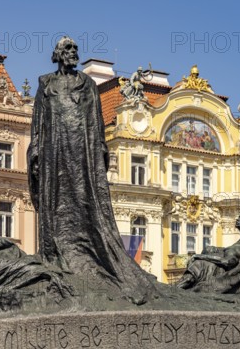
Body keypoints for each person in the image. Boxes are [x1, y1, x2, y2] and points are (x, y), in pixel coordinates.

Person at [27, 36, 159, 304]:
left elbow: (97, 120)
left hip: (82, 150)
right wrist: (37, 150)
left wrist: (100, 149)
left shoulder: (87, 84)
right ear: (57, 54)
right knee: (56, 198)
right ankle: (57, 252)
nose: (73, 53)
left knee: (85, 197)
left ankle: (89, 251)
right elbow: (38, 122)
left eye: (75, 49)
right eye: (68, 49)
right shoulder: (45, 83)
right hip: (55, 149)